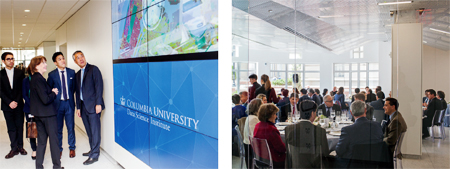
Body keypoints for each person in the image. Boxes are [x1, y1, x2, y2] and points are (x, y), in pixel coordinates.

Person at [29, 56, 63, 169]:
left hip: (39, 115)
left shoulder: (35, 78)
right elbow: (45, 99)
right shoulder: (39, 79)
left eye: (45, 62)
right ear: (36, 66)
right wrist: (54, 92)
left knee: (42, 141)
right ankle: (57, 167)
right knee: (54, 141)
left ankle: (39, 166)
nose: (46, 65)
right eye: (43, 63)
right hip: (48, 115)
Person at [73, 51, 105, 165]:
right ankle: (93, 149)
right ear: (75, 61)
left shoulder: (93, 69)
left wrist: (98, 103)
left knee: (95, 131)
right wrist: (78, 107)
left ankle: (95, 155)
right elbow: (77, 92)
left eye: (82, 56)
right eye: (78, 58)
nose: (81, 59)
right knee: (89, 130)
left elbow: (99, 86)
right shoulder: (77, 74)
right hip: (83, 107)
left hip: (93, 106)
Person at [47, 52, 77, 158]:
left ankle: (72, 148)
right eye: (59, 59)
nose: (63, 60)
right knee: (58, 129)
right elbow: (49, 90)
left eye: (63, 58)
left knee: (70, 127)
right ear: (55, 63)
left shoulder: (72, 72)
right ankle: (59, 149)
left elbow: (74, 89)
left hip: (69, 104)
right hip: (57, 105)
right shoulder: (52, 75)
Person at [285, 100, 329, 168]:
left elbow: (288, 155)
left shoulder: (288, 129)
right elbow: (325, 154)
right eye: (315, 112)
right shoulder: (320, 131)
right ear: (312, 113)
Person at [1, 52, 27, 159]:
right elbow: (0, 91)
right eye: (8, 59)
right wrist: (9, 102)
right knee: (11, 127)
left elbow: (22, 88)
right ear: (3, 61)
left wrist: (15, 101)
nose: (11, 60)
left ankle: (20, 147)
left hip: (19, 104)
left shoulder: (20, 72)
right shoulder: (0, 74)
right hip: (7, 106)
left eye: (12, 58)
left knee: (20, 126)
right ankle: (14, 148)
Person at [253, 104, 285, 169]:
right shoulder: (271, 129)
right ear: (269, 115)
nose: (276, 116)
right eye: (275, 114)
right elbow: (281, 149)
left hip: (260, 159)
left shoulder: (257, 125)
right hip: (274, 161)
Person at [243, 98, 263, 169]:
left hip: (249, 145)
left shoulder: (251, 117)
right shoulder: (253, 119)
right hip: (251, 148)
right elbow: (254, 137)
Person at [22, 67, 37, 160]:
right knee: (32, 130)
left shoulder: (41, 79)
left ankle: (41, 147)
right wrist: (32, 107)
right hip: (29, 108)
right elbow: (24, 95)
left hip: (40, 109)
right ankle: (34, 149)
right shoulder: (25, 80)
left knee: (41, 130)